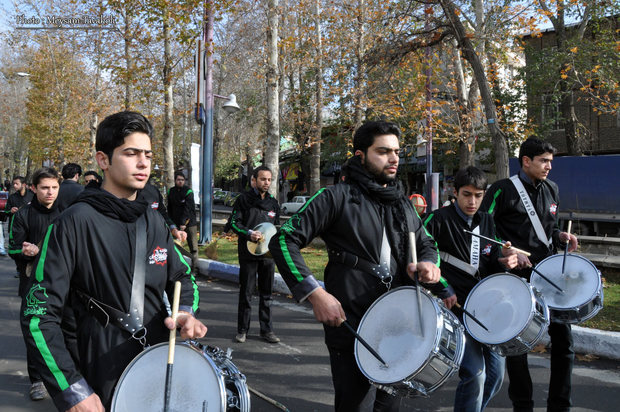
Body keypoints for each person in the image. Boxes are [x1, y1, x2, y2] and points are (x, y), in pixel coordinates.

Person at [20, 111, 207, 411]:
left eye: (147, 154)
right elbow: (38, 316)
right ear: (103, 160)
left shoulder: (154, 221)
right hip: (98, 378)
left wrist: (185, 312)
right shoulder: (73, 223)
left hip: (156, 368)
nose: (144, 162)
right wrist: (72, 390)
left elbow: (183, 276)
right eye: (131, 153)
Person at [269, 121, 441, 411]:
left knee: (390, 408)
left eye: (397, 151)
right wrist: (316, 294)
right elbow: (284, 241)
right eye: (383, 151)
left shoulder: (402, 202)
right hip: (351, 324)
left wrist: (427, 263)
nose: (394, 158)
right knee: (354, 406)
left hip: (399, 324)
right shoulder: (335, 197)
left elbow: (427, 243)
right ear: (360, 156)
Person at [481, 137, 578, 412]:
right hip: (516, 279)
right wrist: (509, 251)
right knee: (518, 347)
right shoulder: (501, 190)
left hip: (547, 276)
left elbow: (550, 228)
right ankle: (522, 406)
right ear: (526, 161)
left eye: (550, 161)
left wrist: (561, 235)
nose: (549, 167)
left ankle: (560, 405)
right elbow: (485, 230)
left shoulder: (553, 189)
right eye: (543, 161)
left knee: (564, 342)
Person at [423, 166, 521, 412]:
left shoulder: (487, 221)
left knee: (496, 377)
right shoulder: (437, 219)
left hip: (485, 309)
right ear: (454, 192)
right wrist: (443, 288)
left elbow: (492, 260)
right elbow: (424, 259)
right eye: (467, 194)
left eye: (478, 195)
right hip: (454, 309)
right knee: (475, 374)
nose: (472, 201)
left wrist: (506, 261)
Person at [8, 167, 62, 401]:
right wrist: (25, 251)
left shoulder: (68, 213)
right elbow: (12, 247)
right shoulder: (22, 215)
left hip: (64, 283)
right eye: (44, 188)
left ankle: (65, 379)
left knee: (64, 333)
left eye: (54, 187)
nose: (50, 192)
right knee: (35, 332)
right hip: (32, 285)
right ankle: (37, 380)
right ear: (33, 189)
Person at [229, 165, 281, 344]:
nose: (266, 183)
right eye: (262, 179)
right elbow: (234, 223)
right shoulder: (243, 200)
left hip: (267, 256)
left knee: (267, 294)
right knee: (246, 293)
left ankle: (267, 331)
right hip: (248, 254)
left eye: (269, 179)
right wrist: (248, 233)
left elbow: (277, 228)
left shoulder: (274, 203)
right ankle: (242, 330)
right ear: (254, 180)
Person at [167, 171, 198, 273]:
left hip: (189, 224)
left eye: (182, 180)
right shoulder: (171, 191)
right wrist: (171, 223)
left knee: (193, 247)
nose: (180, 182)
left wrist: (183, 223)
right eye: (178, 180)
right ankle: (177, 268)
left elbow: (188, 209)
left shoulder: (188, 191)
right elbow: (169, 208)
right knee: (175, 247)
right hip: (175, 226)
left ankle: (194, 269)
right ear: (175, 180)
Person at [6, 176, 34, 275]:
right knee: (17, 248)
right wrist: (10, 210)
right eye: (13, 183)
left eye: (16, 183)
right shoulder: (12, 197)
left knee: (28, 248)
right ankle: (19, 269)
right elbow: (6, 211)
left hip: (30, 227)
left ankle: (29, 268)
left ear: (24, 185)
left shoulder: (32, 196)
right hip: (15, 228)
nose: (14, 185)